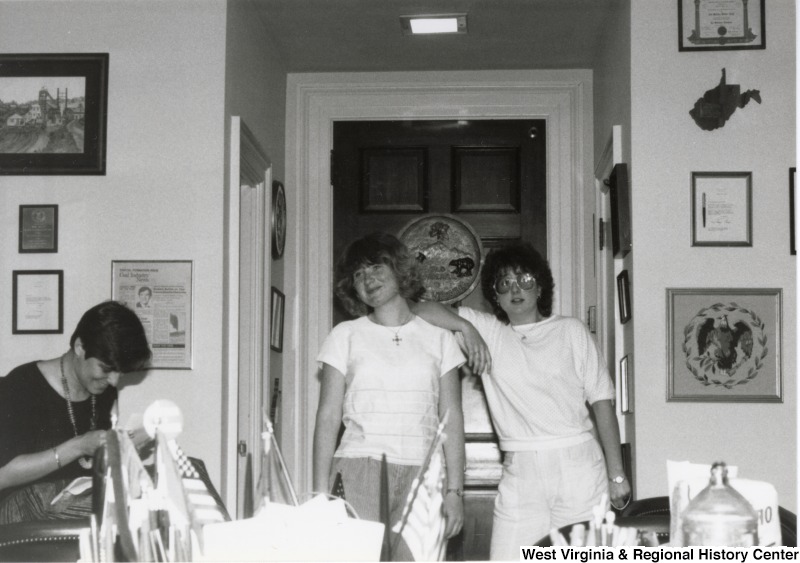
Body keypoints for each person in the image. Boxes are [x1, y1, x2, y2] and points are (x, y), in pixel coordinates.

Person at [413, 242, 631, 559]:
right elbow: (417, 309)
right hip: (521, 470)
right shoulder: (488, 331)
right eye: (505, 283)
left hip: (578, 466)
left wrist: (618, 475)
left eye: (525, 280)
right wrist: (465, 327)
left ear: (540, 286)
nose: (516, 289)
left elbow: (602, 403)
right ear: (495, 294)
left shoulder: (571, 330)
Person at [312, 232, 466, 560]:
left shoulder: (440, 339)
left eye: (376, 267)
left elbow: (451, 420)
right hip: (357, 470)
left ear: (398, 269)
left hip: (422, 474)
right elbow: (328, 416)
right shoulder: (344, 336)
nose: (368, 279)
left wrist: (454, 491)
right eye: (358, 274)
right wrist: (320, 492)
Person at [0, 300, 151, 524]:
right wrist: (77, 446)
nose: (114, 380)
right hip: (19, 513)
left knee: (175, 479)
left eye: (120, 372)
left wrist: (125, 451)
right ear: (80, 347)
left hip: (79, 507)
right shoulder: (22, 386)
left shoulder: (105, 392)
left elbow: (96, 470)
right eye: (107, 368)